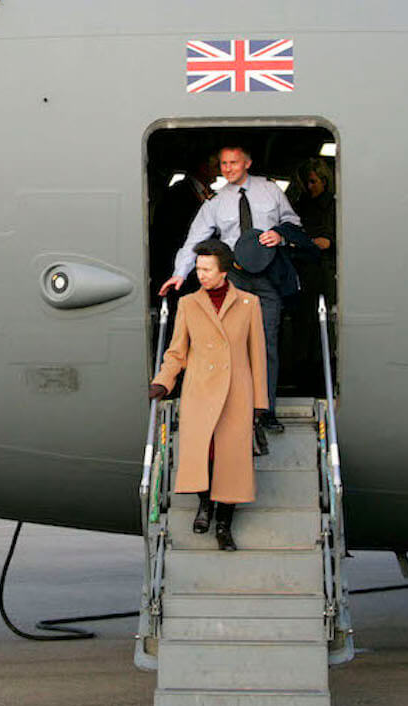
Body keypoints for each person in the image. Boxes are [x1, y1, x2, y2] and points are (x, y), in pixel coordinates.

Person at [158, 145, 305, 433]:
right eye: (223, 163)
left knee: (266, 344)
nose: (227, 168)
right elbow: (194, 240)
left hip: (268, 277)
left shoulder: (270, 191)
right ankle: (232, 409)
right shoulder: (215, 202)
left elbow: (293, 223)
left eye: (233, 163)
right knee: (231, 346)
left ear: (247, 163)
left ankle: (266, 410)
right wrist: (179, 274)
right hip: (235, 279)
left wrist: (280, 234)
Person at [149, 239, 268, 550]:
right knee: (205, 454)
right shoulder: (188, 304)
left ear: (223, 271)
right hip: (200, 392)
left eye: (206, 269)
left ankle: (224, 524)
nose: (200, 274)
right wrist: (163, 381)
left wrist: (259, 402)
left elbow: (258, 356)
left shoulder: (249, 304)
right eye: (198, 268)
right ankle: (205, 506)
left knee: (232, 461)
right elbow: (177, 351)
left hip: (236, 394)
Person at [289, 158, 337, 393]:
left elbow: (332, 240)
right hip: (303, 271)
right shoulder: (301, 206)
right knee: (303, 327)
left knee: (322, 325)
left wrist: (323, 242)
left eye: (313, 181)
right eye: (307, 182)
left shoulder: (334, 207)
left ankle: (320, 375)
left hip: (324, 272)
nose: (310, 187)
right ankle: (304, 376)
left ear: (324, 181)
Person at [149, 150, 218, 296]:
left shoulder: (211, 194)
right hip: (177, 260)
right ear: (203, 168)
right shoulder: (177, 194)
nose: (219, 170)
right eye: (216, 165)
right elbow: (172, 230)